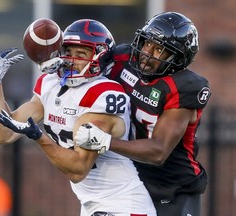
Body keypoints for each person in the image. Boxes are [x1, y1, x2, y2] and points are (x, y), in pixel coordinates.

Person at [0, 19, 157, 216]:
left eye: (81, 54)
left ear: (100, 57)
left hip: (123, 205)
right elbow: (3, 134)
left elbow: (78, 169)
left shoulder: (104, 94)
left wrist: (39, 137)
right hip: (91, 206)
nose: (71, 59)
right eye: (67, 52)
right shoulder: (50, 84)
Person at [75, 12, 212, 216]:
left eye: (159, 50)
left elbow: (158, 151)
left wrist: (105, 141)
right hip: (128, 180)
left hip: (171, 188)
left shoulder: (182, 87)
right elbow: (83, 72)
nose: (147, 53)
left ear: (178, 58)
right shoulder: (122, 59)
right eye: (147, 43)